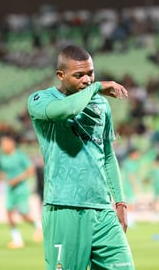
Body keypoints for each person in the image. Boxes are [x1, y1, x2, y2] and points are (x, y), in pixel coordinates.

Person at [27, 45, 134, 269]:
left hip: (102, 210)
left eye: (90, 73)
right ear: (61, 75)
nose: (86, 79)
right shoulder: (41, 100)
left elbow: (107, 155)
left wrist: (121, 202)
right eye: (79, 75)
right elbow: (66, 110)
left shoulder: (101, 105)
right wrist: (96, 87)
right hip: (65, 207)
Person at [0, 133, 42, 249]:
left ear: (12, 143)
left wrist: (16, 180)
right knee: (9, 214)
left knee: (23, 214)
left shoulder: (20, 156)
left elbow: (30, 171)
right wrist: (0, 179)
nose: (3, 146)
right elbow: (3, 172)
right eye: (1, 144)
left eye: (5, 143)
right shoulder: (2, 158)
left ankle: (39, 226)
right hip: (10, 189)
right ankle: (17, 240)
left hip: (21, 189)